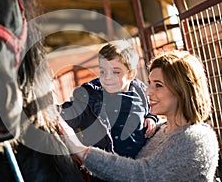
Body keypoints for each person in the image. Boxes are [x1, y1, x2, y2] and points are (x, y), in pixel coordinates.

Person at [59, 50, 219, 181]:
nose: (148, 91)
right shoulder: (159, 131)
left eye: (158, 85)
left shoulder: (197, 138)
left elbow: (144, 175)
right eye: (149, 83)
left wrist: (81, 150)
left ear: (182, 90)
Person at [60, 40, 158, 160]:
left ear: (131, 74)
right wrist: (51, 113)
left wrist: (151, 117)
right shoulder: (90, 97)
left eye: (115, 72)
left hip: (137, 165)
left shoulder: (141, 91)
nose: (107, 78)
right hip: (104, 167)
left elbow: (152, 107)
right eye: (103, 71)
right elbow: (71, 111)